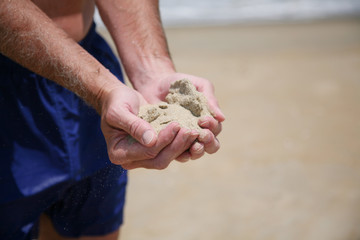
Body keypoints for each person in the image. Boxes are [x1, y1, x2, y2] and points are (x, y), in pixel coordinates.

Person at [0, 0, 225, 239]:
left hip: (92, 67)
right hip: (10, 91)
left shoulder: (108, 90)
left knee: (96, 231)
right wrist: (100, 90)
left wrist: (151, 67)